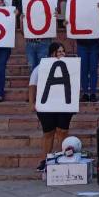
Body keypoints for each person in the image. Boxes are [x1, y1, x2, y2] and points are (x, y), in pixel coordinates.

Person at [28, 42, 76, 172]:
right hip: (46, 106)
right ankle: (44, 159)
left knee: (63, 131)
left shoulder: (71, 67)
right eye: (59, 51)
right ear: (52, 53)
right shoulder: (40, 67)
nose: (62, 54)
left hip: (64, 105)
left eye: (63, 51)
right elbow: (32, 85)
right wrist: (31, 103)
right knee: (48, 132)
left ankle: (64, 157)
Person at [22, 0, 57, 73]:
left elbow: (56, 10)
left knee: (43, 69)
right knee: (32, 69)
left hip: (45, 40)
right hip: (30, 40)